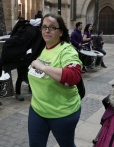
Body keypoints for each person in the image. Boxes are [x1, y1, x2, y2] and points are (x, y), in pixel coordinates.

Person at [28, 13, 82, 147]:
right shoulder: (41, 47)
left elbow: (73, 76)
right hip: (37, 109)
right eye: (44, 27)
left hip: (62, 112)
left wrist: (43, 67)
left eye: (52, 27)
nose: (47, 30)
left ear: (61, 32)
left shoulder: (67, 50)